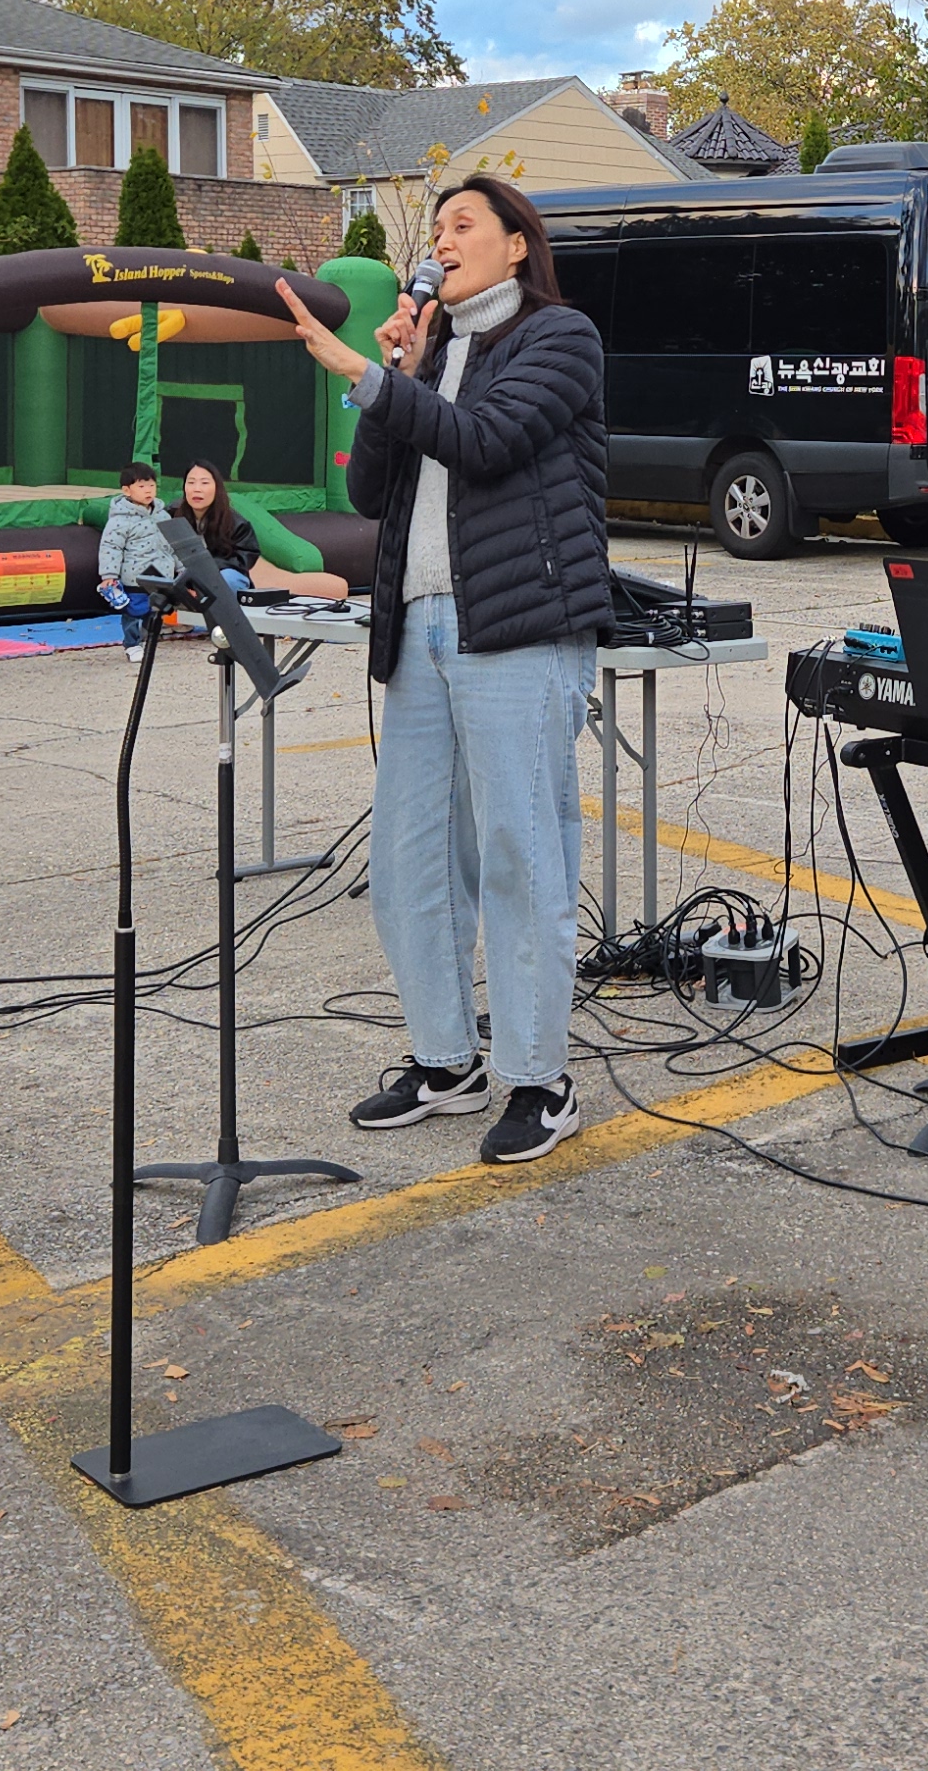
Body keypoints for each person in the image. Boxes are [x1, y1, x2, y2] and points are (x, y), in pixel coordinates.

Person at [280, 175, 613, 1166]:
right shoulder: (428, 354)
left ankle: (539, 1078)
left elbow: (490, 440)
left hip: (516, 625)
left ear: (517, 245)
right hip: (419, 628)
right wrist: (398, 373)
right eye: (436, 228)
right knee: (410, 859)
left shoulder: (559, 337)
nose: (442, 239)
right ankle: (444, 1059)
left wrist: (368, 375)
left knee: (518, 852)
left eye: (464, 223)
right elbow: (368, 490)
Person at [178, 460, 352, 603]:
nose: (197, 489)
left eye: (204, 483)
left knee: (226, 579)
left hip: (225, 573)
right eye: (191, 483)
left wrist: (209, 568)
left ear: (217, 488)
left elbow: (243, 558)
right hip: (187, 573)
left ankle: (210, 620)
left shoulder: (235, 522)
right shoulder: (173, 516)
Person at [94, 462, 178, 645]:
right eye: (141, 486)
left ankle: (149, 640)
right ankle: (132, 644)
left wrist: (182, 568)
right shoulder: (120, 520)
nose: (148, 490)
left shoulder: (163, 515)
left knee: (156, 609)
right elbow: (110, 547)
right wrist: (109, 575)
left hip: (162, 575)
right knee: (134, 611)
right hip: (135, 577)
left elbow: (172, 546)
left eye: (151, 485)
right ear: (127, 490)